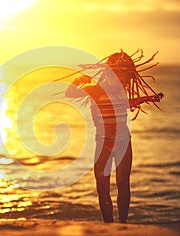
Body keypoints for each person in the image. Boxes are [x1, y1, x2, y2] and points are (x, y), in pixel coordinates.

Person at [65, 50, 163, 223]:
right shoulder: (96, 90)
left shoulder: (121, 92)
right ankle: (108, 226)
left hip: (124, 143)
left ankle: (123, 225)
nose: (125, 79)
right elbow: (70, 93)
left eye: (127, 75)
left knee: (123, 185)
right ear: (111, 72)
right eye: (121, 74)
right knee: (103, 188)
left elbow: (127, 104)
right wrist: (79, 80)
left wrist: (149, 98)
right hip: (104, 144)